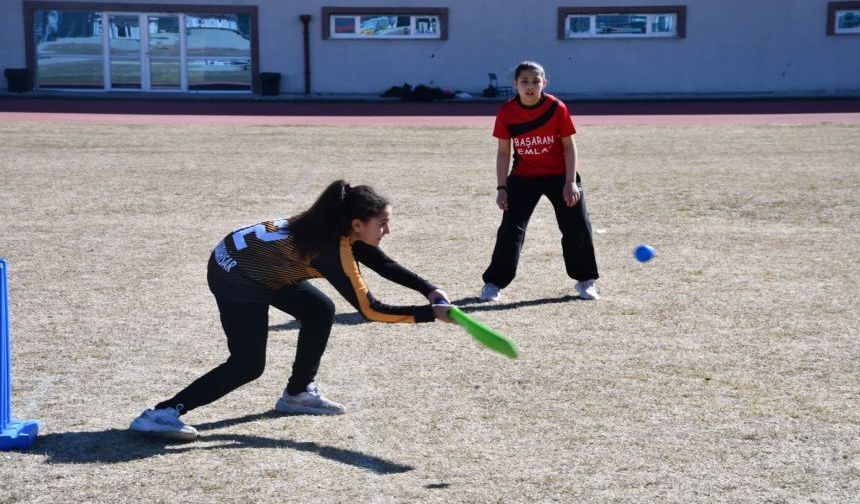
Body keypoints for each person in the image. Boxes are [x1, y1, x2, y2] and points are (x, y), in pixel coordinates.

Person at [130, 180, 452, 441]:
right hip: (235, 275)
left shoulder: (336, 224)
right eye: (383, 224)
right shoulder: (332, 249)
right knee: (247, 365)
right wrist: (429, 314)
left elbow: (381, 262)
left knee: (319, 309)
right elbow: (371, 310)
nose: (387, 231)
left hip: (252, 264)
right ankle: (163, 413)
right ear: (357, 224)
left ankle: (297, 393)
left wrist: (429, 289)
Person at [479, 61, 600, 302]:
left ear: (544, 83)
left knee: (577, 226)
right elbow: (504, 152)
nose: (530, 86)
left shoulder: (556, 107)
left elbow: (568, 146)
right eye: (524, 81)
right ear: (516, 84)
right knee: (510, 230)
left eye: (536, 81)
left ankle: (586, 281)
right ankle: (493, 284)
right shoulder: (506, 112)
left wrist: (570, 182)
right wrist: (502, 187)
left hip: (560, 176)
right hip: (524, 177)